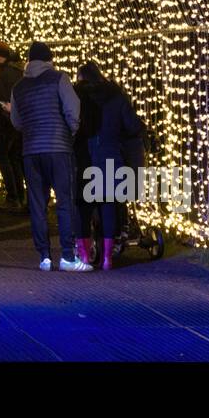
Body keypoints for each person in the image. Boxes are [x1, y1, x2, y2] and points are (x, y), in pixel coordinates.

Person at [9, 41, 92, 272]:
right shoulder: (59, 79)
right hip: (58, 149)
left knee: (37, 204)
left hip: (31, 152)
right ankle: (67, 255)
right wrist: (70, 132)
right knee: (65, 202)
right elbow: (73, 110)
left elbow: (16, 121)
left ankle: (44, 256)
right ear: (49, 59)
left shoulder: (19, 87)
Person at [74, 61, 146, 269]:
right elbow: (132, 125)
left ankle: (85, 257)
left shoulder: (77, 97)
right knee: (109, 205)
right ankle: (107, 258)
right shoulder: (116, 96)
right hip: (110, 156)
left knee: (83, 207)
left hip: (84, 157)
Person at [0, 42, 26, 212]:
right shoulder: (11, 72)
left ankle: (14, 197)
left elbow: (7, 101)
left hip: (7, 125)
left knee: (2, 157)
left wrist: (4, 122)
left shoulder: (7, 74)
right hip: (12, 124)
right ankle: (18, 197)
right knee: (12, 158)